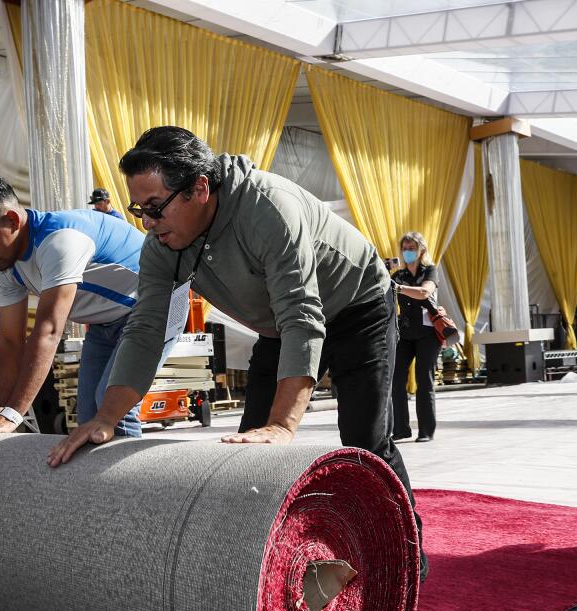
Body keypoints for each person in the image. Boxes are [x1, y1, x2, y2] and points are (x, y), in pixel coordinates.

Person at [47, 126, 426, 577]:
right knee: (249, 448)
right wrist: (106, 418)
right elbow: (146, 328)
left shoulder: (268, 210)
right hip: (279, 323)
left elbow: (302, 316)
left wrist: (284, 425)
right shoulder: (166, 242)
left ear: (200, 189)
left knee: (365, 439)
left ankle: (406, 556)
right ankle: (258, 569)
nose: (146, 224)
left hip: (356, 304)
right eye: (138, 210)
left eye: (154, 208)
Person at [0, 174, 182, 438]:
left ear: (12, 220)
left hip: (157, 306)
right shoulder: (5, 263)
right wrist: (4, 409)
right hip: (108, 322)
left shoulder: (60, 240)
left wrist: (13, 414)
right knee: (88, 419)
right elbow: (11, 341)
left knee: (113, 412)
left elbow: (48, 330)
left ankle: (131, 480)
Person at [390, 232, 440, 443]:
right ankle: (401, 428)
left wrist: (399, 288)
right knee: (396, 379)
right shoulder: (398, 275)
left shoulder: (429, 271)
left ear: (421, 250)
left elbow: (424, 292)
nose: (407, 252)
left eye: (412, 248)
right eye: (405, 248)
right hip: (406, 331)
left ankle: (426, 430)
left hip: (428, 333)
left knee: (423, 379)